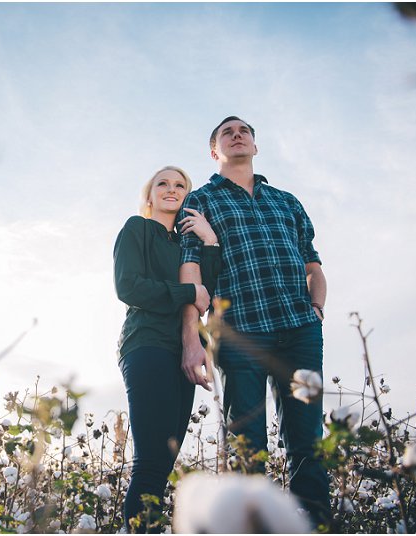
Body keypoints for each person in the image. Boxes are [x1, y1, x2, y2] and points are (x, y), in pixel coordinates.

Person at [178, 116, 330, 527]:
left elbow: (311, 262)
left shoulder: (286, 200)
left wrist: (316, 310)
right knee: (248, 445)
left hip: (299, 332)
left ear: (255, 146)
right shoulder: (201, 200)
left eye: (244, 130)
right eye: (226, 133)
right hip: (239, 333)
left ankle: (315, 527)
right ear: (215, 151)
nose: (237, 135)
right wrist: (192, 335)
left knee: (307, 443)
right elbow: (190, 268)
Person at [113, 166, 221, 532]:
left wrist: (210, 242)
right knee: (149, 462)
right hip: (146, 345)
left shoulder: (186, 246)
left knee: (164, 463)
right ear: (150, 194)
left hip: (183, 353)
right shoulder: (137, 229)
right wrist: (186, 293)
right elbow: (129, 286)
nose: (171, 189)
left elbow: (210, 292)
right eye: (163, 183)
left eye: (180, 185)